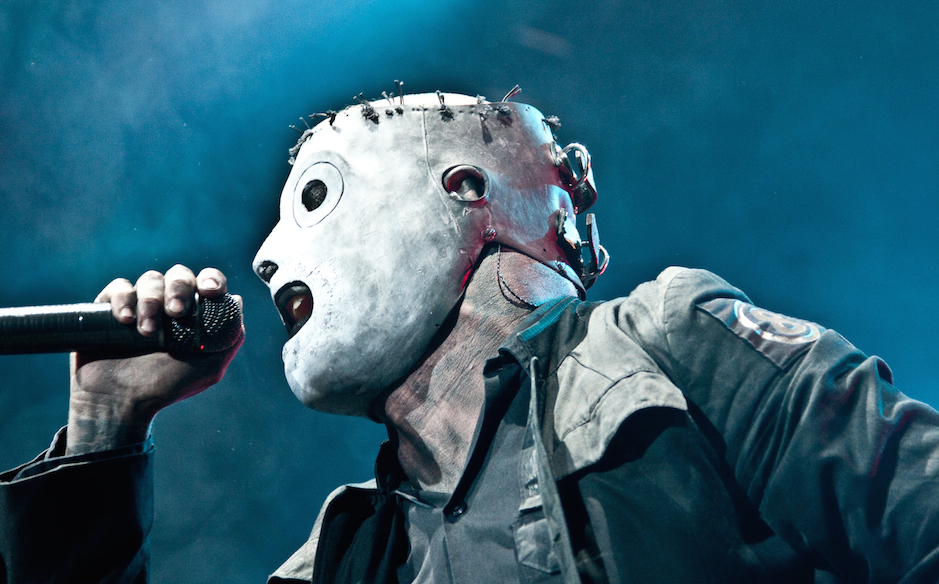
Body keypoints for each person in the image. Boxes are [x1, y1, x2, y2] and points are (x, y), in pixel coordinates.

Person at [2, 91, 939, 584]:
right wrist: (104, 429)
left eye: (315, 199)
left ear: (467, 194)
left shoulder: (672, 345)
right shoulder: (342, 559)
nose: (262, 256)